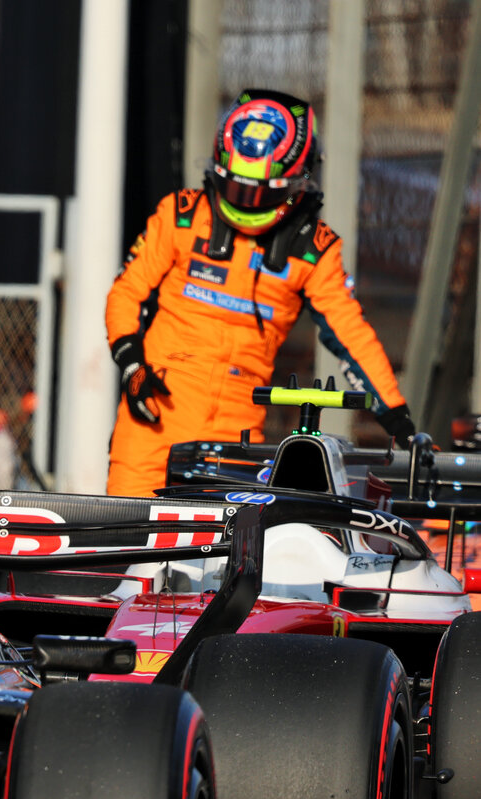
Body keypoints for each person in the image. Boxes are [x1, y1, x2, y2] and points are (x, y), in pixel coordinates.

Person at [106, 89, 414, 497]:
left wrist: (398, 419)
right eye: (236, 187)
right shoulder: (180, 215)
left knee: (223, 554)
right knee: (126, 546)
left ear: (298, 181)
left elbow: (350, 334)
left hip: (236, 431)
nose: (247, 201)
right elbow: (126, 293)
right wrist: (131, 367)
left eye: (261, 191)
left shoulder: (314, 249)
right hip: (155, 415)